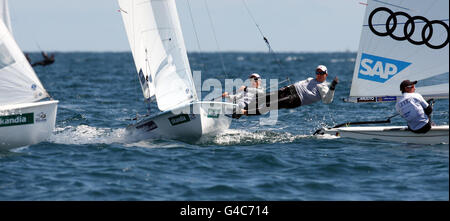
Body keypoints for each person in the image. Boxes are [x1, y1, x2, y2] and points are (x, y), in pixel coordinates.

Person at [245, 65, 338, 115]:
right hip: (289, 90)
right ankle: (244, 106)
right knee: (264, 97)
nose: (319, 74)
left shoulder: (324, 87)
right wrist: (288, 87)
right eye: (317, 72)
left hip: (295, 99)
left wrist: (333, 87)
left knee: (269, 105)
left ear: (326, 75)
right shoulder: (310, 79)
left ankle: (244, 113)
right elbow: (299, 84)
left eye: (321, 73)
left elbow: (327, 101)